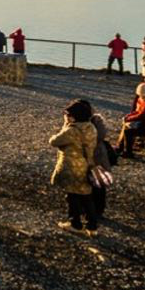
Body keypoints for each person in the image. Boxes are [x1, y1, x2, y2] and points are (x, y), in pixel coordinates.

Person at [49, 100, 100, 235]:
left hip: (72, 167)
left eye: (67, 114)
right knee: (86, 196)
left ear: (73, 116)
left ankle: (75, 224)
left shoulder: (72, 130)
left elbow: (54, 141)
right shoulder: (91, 127)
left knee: (72, 196)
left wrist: (65, 126)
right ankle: (92, 226)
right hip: (87, 165)